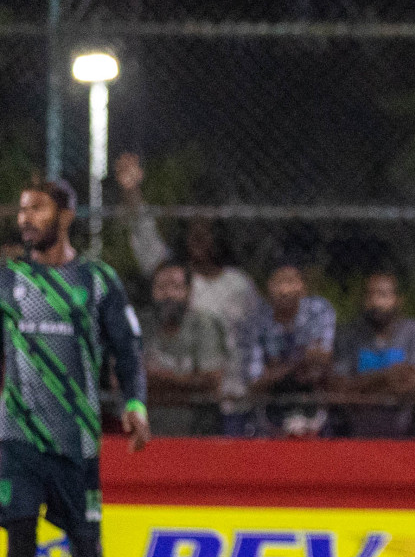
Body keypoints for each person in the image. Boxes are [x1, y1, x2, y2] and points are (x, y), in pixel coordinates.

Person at [3, 180, 149, 557]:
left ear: (65, 215)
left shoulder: (98, 280)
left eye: (37, 209)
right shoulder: (9, 279)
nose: (25, 218)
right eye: (22, 210)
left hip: (76, 440)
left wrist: (134, 402)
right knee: (19, 536)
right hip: (17, 433)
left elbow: (127, 351)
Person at [116, 153, 259, 344]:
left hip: (223, 369)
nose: (198, 238)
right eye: (194, 232)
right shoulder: (172, 276)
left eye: (206, 232)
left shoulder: (238, 283)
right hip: (176, 366)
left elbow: (256, 330)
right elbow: (143, 232)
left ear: (219, 237)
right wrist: (131, 190)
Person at [329, 271, 415, 439]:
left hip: (406, 432)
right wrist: (388, 376)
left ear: (399, 300)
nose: (376, 302)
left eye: (383, 295)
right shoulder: (348, 335)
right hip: (356, 433)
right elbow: (340, 387)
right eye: (371, 295)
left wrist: (362, 386)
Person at [241, 262, 336, 438]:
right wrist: (299, 363)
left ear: (303, 286)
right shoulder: (256, 322)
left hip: (313, 404)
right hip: (271, 410)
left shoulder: (319, 310)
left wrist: (277, 368)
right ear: (268, 287)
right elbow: (254, 382)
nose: (285, 290)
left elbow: (321, 361)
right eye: (279, 283)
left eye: (291, 282)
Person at [142, 259, 228, 437]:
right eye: (161, 287)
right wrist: (186, 382)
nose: (168, 294)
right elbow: (120, 380)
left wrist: (156, 379)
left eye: (175, 286)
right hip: (149, 430)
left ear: (189, 292)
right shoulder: (141, 325)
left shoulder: (204, 325)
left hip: (198, 430)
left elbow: (212, 382)